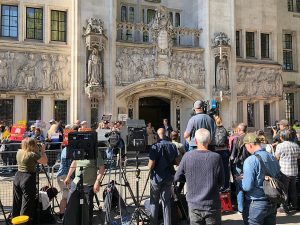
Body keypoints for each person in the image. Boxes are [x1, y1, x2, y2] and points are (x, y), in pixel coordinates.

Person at [174, 128, 224, 225]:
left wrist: (189, 178)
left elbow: (177, 177)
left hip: (194, 204)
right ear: (209, 140)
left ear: (195, 141)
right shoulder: (216, 157)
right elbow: (222, 181)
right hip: (212, 204)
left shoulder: (187, 156)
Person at [240, 133, 281, 225]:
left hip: (256, 203)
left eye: (245, 147)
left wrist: (240, 181)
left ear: (250, 145)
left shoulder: (250, 160)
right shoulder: (272, 157)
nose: (246, 149)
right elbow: (278, 177)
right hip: (272, 202)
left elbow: (247, 187)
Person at [12, 138, 48, 224]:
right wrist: (43, 150)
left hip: (17, 176)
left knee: (17, 201)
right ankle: (23, 223)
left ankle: (15, 220)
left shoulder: (19, 152)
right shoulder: (32, 154)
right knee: (27, 203)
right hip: (27, 178)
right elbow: (44, 161)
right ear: (32, 145)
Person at [64, 152, 105, 225]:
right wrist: (68, 176)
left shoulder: (95, 151)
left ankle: (88, 222)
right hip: (76, 183)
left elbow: (102, 168)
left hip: (89, 185)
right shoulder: (78, 150)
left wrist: (97, 182)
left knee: (87, 206)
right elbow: (74, 163)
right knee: (71, 203)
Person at [148, 128, 179, 225]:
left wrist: (148, 165)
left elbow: (151, 165)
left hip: (156, 178)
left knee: (154, 203)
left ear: (157, 135)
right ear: (165, 134)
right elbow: (178, 161)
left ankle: (153, 223)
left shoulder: (155, 146)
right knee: (166, 203)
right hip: (168, 176)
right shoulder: (173, 146)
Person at [275, 129, 300, 213]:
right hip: (294, 171)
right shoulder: (296, 145)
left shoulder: (280, 146)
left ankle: (284, 207)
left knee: (284, 190)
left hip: (284, 171)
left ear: (282, 137)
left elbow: (276, 158)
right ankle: (295, 205)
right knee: (293, 189)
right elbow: (298, 157)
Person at [229, 122, 249, 213]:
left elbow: (233, 155)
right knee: (250, 184)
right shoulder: (250, 138)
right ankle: (249, 206)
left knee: (239, 187)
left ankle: (241, 208)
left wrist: (231, 164)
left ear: (240, 130)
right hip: (249, 164)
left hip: (239, 165)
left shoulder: (236, 139)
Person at [56, 145, 73, 220]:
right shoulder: (69, 151)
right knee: (69, 197)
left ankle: (61, 216)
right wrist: (68, 178)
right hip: (66, 177)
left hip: (61, 176)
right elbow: (68, 165)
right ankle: (67, 217)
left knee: (64, 197)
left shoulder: (64, 149)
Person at [214, 116, 230, 190]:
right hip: (224, 151)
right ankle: (226, 186)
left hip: (216, 151)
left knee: (216, 169)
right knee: (225, 169)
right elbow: (228, 141)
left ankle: (217, 186)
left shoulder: (213, 129)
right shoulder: (224, 129)